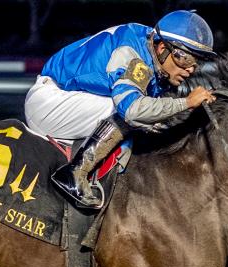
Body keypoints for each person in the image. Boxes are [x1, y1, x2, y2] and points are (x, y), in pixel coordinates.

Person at [25, 10, 218, 208]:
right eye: (185, 59)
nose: (190, 69)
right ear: (162, 48)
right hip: (49, 102)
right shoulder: (133, 55)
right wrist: (186, 103)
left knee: (149, 121)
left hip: (71, 100)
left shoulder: (150, 48)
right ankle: (73, 174)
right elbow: (132, 110)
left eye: (197, 62)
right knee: (129, 112)